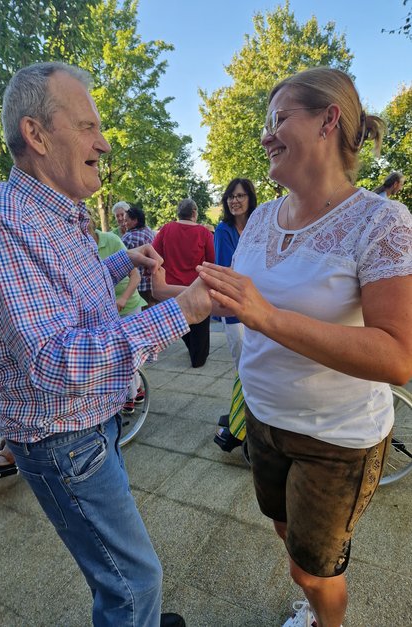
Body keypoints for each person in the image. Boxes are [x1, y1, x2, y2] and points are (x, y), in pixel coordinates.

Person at [0, 61, 213, 627]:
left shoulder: (46, 213)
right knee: (132, 582)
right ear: (36, 135)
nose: (105, 142)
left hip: (89, 425)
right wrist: (181, 312)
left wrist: (120, 261)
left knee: (124, 571)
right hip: (66, 437)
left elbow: (64, 295)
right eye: (88, 126)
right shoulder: (1, 222)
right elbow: (52, 359)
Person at [197, 67, 412, 627]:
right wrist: (178, 290)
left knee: (312, 571)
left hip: (336, 440)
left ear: (328, 120)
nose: (265, 135)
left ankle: (326, 621)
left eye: (279, 119)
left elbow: (397, 356)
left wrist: (267, 317)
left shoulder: (381, 220)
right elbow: (242, 301)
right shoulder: (263, 217)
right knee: (285, 532)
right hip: (262, 420)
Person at [211, 178, 257, 450]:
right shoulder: (224, 230)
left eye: (240, 195)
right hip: (235, 310)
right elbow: (227, 270)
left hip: (260, 306)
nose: (235, 200)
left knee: (258, 367)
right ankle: (243, 423)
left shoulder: (259, 226)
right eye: (230, 196)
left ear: (250, 198)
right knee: (244, 369)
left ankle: (247, 419)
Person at [153, 198, 215, 368]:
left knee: (180, 321)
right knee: (201, 325)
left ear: (178, 213)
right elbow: (211, 260)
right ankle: (198, 359)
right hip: (197, 286)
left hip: (171, 287)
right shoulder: (204, 233)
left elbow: (155, 256)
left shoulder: (166, 229)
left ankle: (192, 349)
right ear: (194, 213)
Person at [95, 228, 147, 414]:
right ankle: (136, 388)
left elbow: (135, 275)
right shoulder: (78, 246)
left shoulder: (111, 240)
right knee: (118, 354)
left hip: (128, 302)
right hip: (106, 307)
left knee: (129, 353)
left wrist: (123, 299)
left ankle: (129, 395)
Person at [122, 206, 157, 307]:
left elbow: (122, 257)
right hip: (150, 278)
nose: (124, 223)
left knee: (141, 308)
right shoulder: (148, 230)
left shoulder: (129, 237)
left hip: (137, 282)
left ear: (135, 221)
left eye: (126, 220)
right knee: (151, 306)